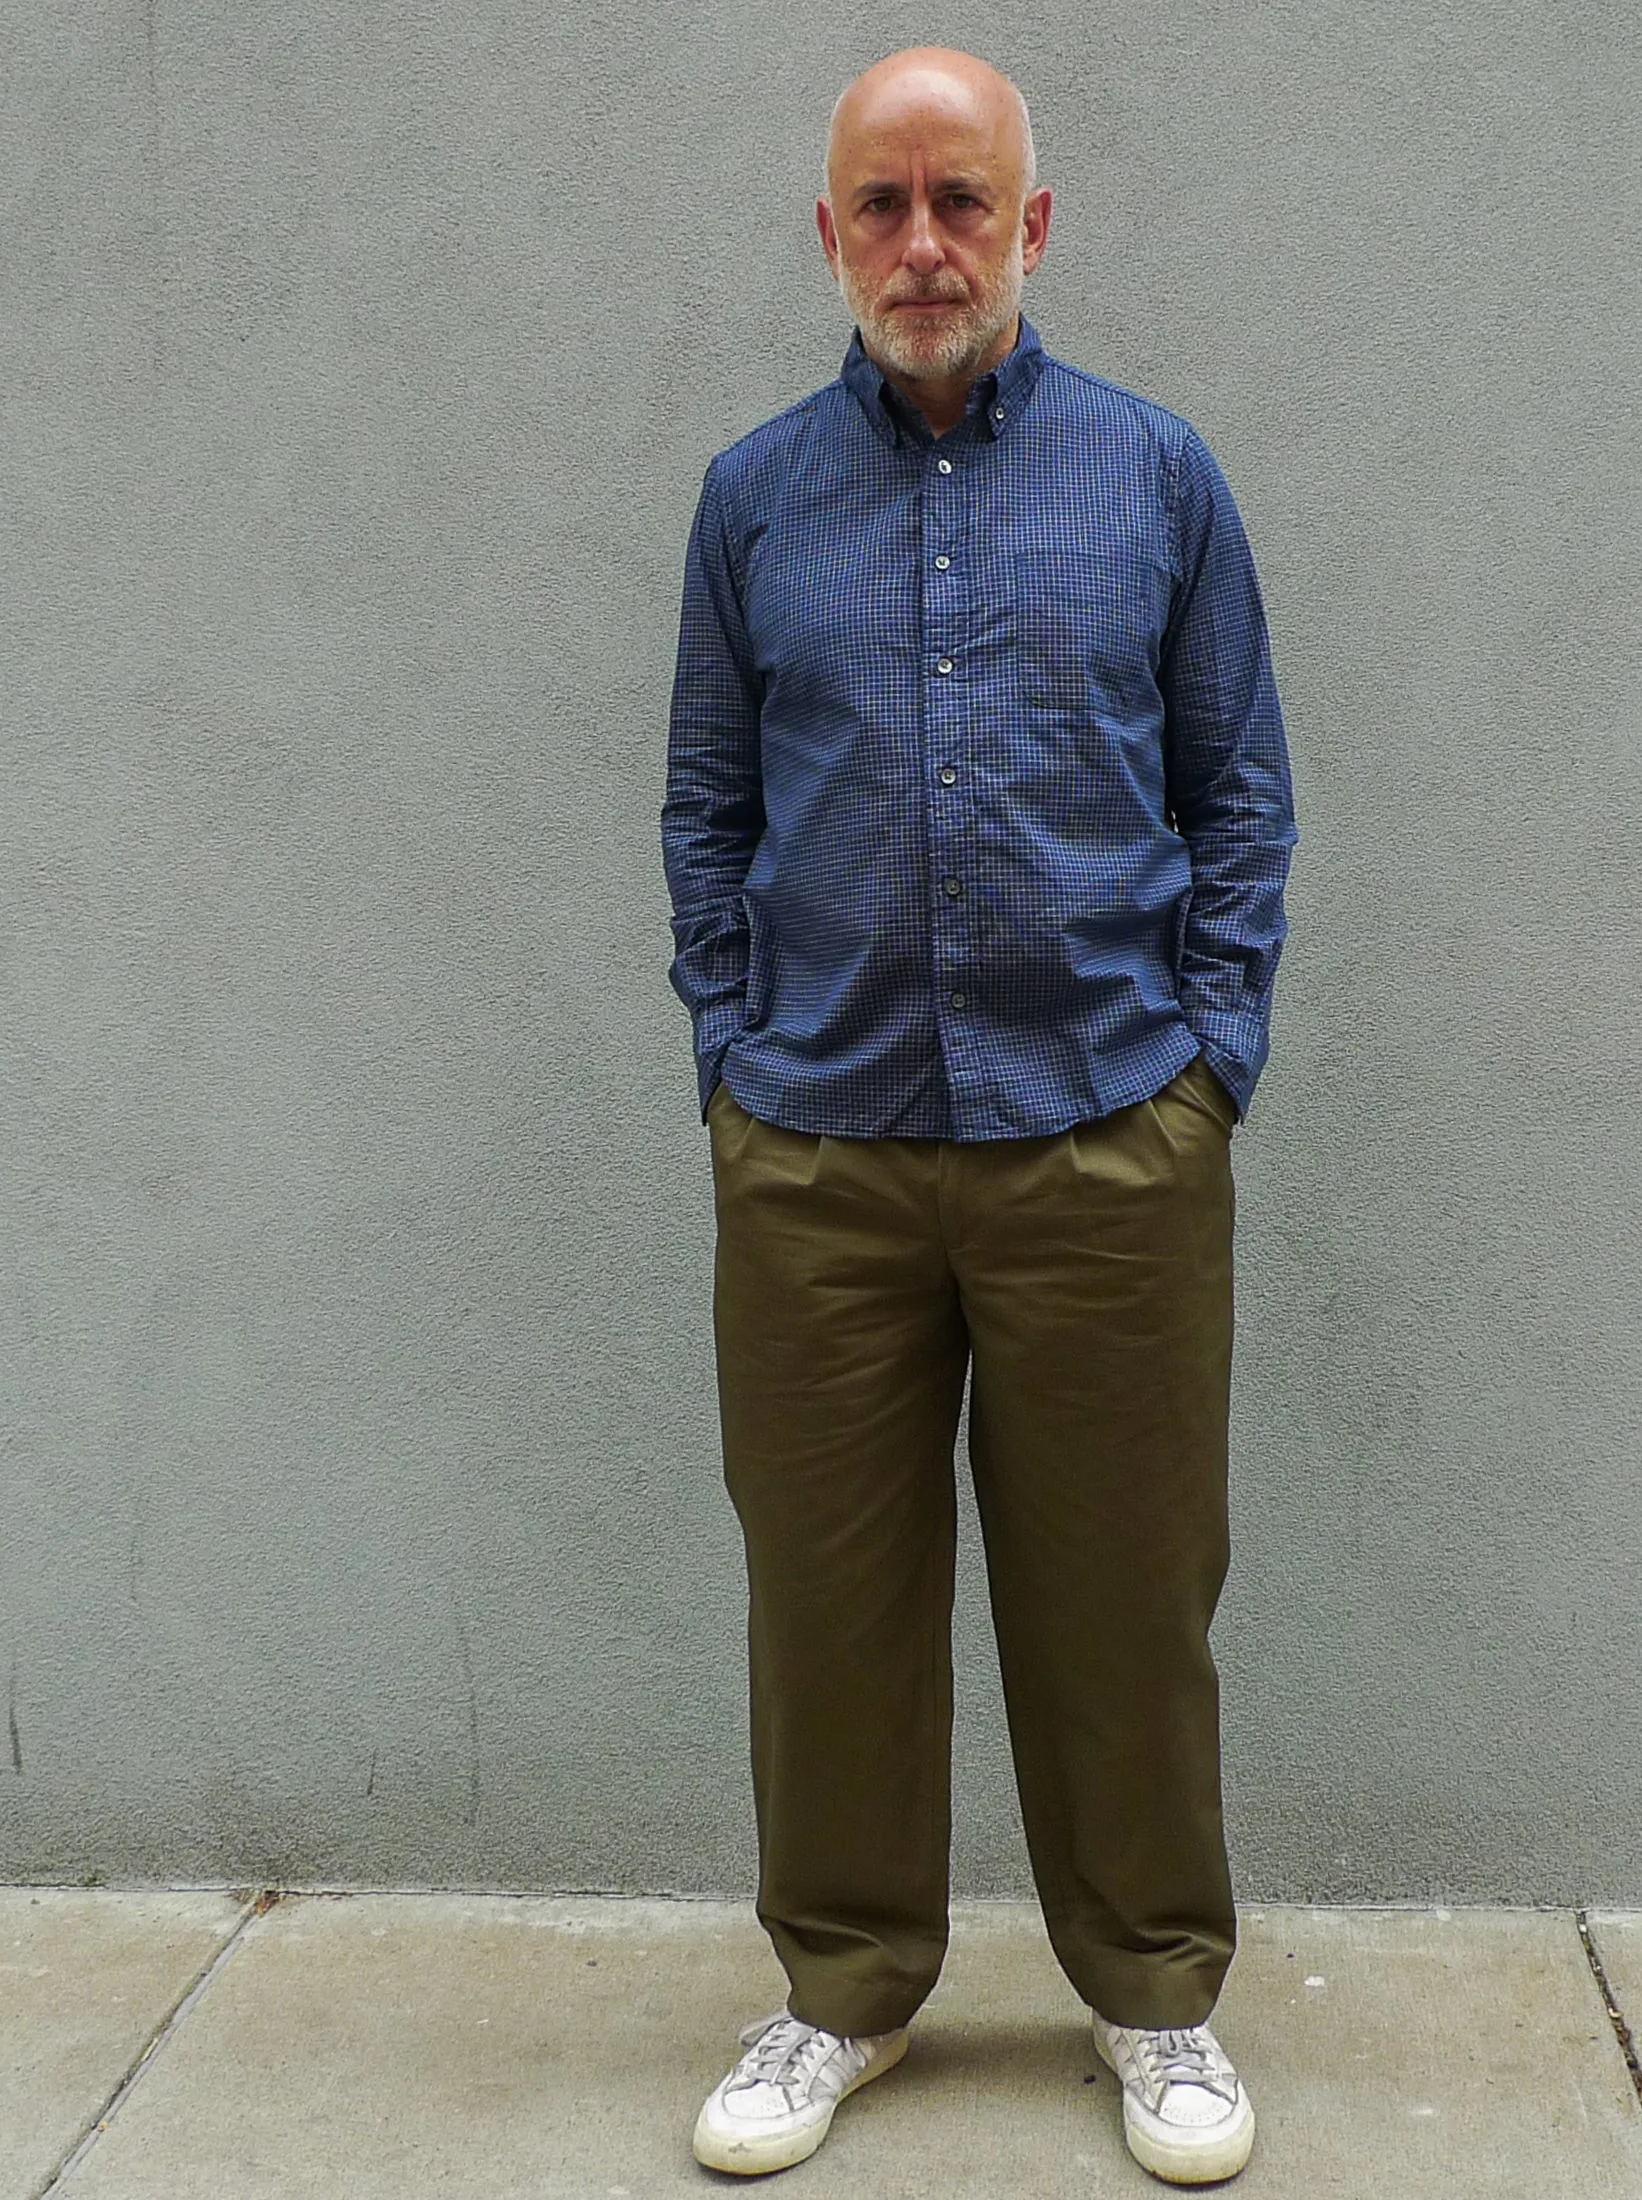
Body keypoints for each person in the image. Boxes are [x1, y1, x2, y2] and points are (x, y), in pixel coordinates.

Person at [660, 45, 1296, 2186]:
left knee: (1126, 1600)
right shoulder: (752, 500)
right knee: (825, 1607)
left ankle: (1156, 1993)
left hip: (1109, 1135)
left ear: (1030, 226)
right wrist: (731, 1056)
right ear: (827, 234)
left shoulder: (1157, 478)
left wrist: (1208, 1064)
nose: (921, 245)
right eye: (882, 204)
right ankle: (841, 1988)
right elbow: (706, 807)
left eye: (960, 202)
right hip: (818, 1150)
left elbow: (1238, 797)